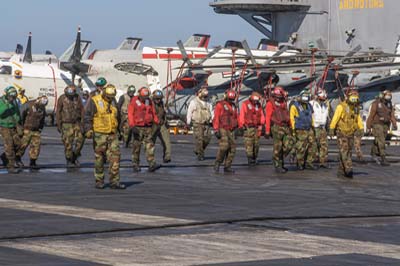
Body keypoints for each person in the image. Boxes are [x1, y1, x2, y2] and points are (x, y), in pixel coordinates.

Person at [84, 84, 125, 189]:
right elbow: (87, 116)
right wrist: (88, 129)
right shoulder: (94, 101)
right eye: (108, 97)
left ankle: (114, 181)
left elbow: (118, 117)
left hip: (112, 134)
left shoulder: (114, 102)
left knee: (115, 157)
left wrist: (120, 131)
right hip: (99, 134)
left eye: (112, 97)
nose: (110, 99)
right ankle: (99, 180)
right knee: (100, 158)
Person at [329, 90, 364, 178]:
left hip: (351, 133)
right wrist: (331, 128)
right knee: (344, 151)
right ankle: (349, 169)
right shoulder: (341, 107)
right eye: (352, 96)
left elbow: (358, 119)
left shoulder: (356, 108)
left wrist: (361, 128)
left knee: (348, 152)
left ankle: (341, 171)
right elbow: (335, 118)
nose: (354, 98)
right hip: (342, 132)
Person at [128, 87, 161, 172]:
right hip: (137, 127)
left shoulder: (148, 101)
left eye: (146, 97)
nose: (145, 98)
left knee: (149, 146)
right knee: (136, 147)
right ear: (139, 94)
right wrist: (132, 126)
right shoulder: (134, 101)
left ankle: (152, 164)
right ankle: (135, 164)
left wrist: (156, 120)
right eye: (143, 97)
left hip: (147, 127)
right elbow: (130, 113)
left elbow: (152, 112)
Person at [265, 86, 294, 173]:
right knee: (278, 146)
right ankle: (278, 165)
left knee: (289, 144)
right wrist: (267, 130)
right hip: (276, 127)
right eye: (277, 97)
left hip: (285, 127)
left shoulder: (284, 103)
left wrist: (291, 126)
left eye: (279, 97)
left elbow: (287, 115)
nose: (278, 98)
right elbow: (268, 117)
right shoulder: (270, 104)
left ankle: (279, 160)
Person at [15, 96, 48, 169]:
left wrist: (40, 128)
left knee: (36, 147)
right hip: (27, 129)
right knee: (22, 145)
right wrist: (20, 127)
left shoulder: (42, 108)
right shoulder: (28, 105)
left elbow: (42, 119)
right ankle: (17, 159)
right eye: (41, 104)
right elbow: (21, 115)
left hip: (36, 130)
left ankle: (33, 162)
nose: (42, 106)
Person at [56, 85, 85, 167]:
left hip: (77, 122)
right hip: (66, 123)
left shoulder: (77, 97)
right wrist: (58, 123)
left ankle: (75, 157)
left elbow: (82, 110)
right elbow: (58, 111)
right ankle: (69, 159)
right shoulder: (62, 98)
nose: (71, 96)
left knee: (80, 141)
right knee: (68, 143)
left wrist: (83, 122)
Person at [366, 90, 397, 166]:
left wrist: (394, 124)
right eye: (387, 95)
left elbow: (392, 115)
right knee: (381, 140)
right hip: (377, 124)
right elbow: (371, 115)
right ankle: (383, 157)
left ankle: (373, 152)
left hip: (386, 125)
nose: (389, 96)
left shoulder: (389, 104)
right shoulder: (376, 103)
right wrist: (368, 126)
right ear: (383, 95)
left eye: (390, 95)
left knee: (379, 139)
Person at [290, 90, 317, 170]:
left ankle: (309, 162)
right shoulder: (295, 106)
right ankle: (300, 163)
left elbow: (311, 116)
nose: (306, 98)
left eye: (307, 96)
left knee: (313, 145)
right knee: (301, 147)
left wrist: (313, 125)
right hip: (300, 129)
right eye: (304, 96)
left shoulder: (309, 105)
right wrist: (293, 129)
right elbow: (292, 118)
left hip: (309, 128)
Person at [213, 89, 238, 173]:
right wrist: (216, 129)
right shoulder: (220, 105)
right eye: (229, 99)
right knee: (224, 146)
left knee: (233, 148)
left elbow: (236, 117)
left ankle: (227, 166)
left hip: (231, 129)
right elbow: (216, 117)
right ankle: (217, 163)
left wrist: (239, 127)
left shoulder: (234, 106)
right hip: (222, 128)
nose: (231, 101)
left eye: (232, 99)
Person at [186, 86, 213, 161]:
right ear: (199, 93)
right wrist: (188, 122)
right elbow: (189, 112)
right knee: (200, 139)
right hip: (197, 123)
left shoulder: (208, 102)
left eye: (206, 96)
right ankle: (201, 155)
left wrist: (212, 120)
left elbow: (211, 112)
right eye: (204, 96)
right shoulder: (194, 102)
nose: (205, 98)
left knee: (208, 138)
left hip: (206, 123)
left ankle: (198, 149)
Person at [239, 92, 265, 165]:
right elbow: (242, 114)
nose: (256, 101)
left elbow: (262, 114)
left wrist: (262, 124)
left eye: (257, 100)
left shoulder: (258, 105)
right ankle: (250, 159)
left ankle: (254, 157)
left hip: (257, 127)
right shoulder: (245, 104)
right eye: (255, 100)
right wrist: (242, 125)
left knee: (256, 144)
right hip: (248, 128)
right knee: (249, 144)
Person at [0, 86, 22, 173]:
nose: (12, 98)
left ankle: (4, 156)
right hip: (4, 126)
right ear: (7, 95)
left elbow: (17, 113)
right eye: (11, 96)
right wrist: (7, 104)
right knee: (9, 145)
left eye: (14, 96)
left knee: (18, 144)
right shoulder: (1, 101)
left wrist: (19, 122)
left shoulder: (15, 102)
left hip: (13, 126)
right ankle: (10, 165)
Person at [309, 89, 330, 168]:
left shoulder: (325, 106)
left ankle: (323, 161)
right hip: (314, 127)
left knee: (324, 145)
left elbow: (326, 117)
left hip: (322, 127)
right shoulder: (312, 104)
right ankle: (311, 160)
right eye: (321, 99)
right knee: (313, 145)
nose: (323, 100)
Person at [151, 89, 171, 163]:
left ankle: (167, 156)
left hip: (161, 124)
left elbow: (163, 113)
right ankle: (151, 160)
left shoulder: (161, 103)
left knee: (167, 141)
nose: (158, 100)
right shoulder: (149, 103)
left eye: (160, 98)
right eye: (157, 98)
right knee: (151, 143)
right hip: (152, 125)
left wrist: (166, 122)